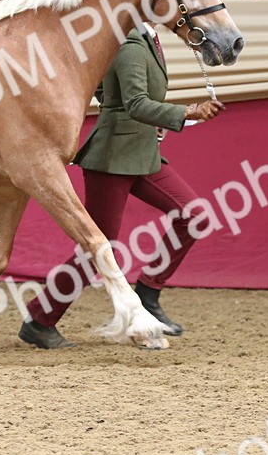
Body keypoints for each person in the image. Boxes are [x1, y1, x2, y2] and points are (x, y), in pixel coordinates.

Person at [18, 22, 223, 350]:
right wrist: (188, 112)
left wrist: (150, 122)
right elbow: (135, 103)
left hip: (142, 153)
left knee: (193, 214)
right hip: (113, 157)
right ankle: (41, 320)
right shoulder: (129, 41)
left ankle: (147, 293)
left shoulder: (145, 37)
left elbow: (105, 90)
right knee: (97, 246)